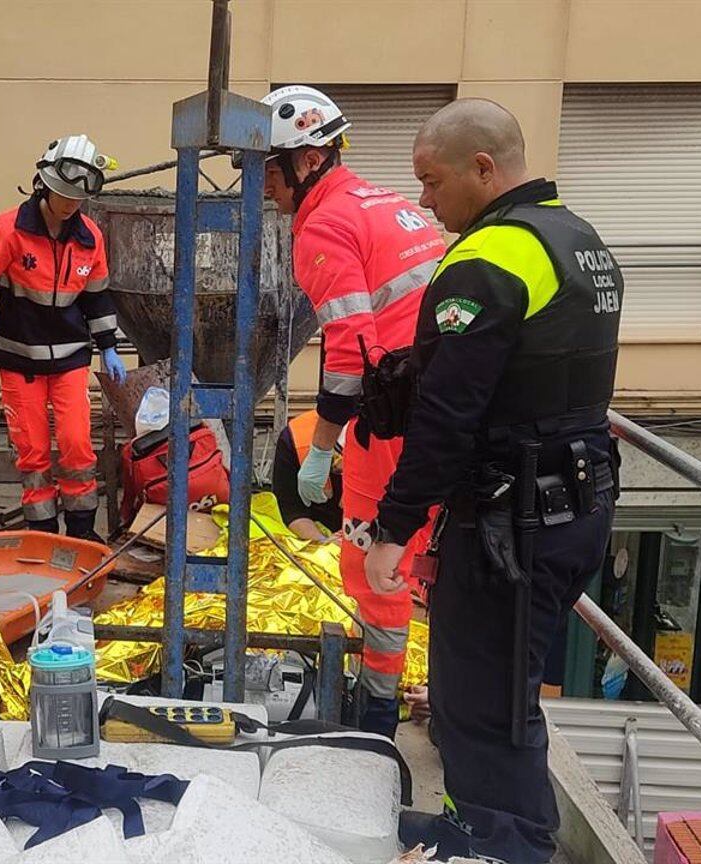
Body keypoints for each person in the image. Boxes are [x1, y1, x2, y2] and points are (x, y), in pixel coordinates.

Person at [368, 98, 622, 864]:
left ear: (483, 168)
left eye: (431, 181)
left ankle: (504, 845)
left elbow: (450, 410)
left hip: (513, 520)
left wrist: (393, 525)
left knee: (485, 701)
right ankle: (472, 825)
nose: (423, 201)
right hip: (570, 503)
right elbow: (539, 375)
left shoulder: (491, 257)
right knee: (483, 690)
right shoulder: (580, 240)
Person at [252, 85, 445, 739]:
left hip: (391, 416)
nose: (265, 192)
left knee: (370, 563)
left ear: (307, 162)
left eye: (268, 174)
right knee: (432, 559)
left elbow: (351, 352)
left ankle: (376, 719)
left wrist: (323, 447)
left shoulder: (324, 227)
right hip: (443, 406)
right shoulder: (388, 203)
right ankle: (437, 703)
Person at [0, 135, 127, 541]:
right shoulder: (7, 232)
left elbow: (97, 298)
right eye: (63, 194)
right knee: (32, 452)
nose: (70, 204)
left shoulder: (89, 238)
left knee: (76, 445)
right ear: (45, 184)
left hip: (70, 360)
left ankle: (82, 531)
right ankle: (42, 531)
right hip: (20, 361)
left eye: (77, 198)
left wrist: (108, 346)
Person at [272, 409, 344, 542]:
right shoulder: (296, 435)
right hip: (316, 535)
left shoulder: (390, 437)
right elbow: (291, 510)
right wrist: (324, 543)